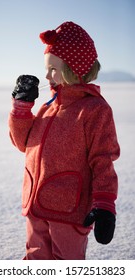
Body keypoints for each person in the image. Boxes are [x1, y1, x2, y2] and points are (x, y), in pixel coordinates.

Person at [8, 21, 120, 260]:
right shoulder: (49, 107)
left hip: (69, 211)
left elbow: (103, 160)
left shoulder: (94, 110)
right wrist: (21, 109)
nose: (47, 75)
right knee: (35, 260)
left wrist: (105, 204)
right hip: (35, 205)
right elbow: (24, 144)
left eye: (53, 69)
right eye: (46, 69)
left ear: (74, 68)